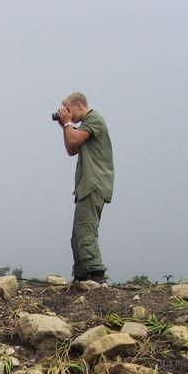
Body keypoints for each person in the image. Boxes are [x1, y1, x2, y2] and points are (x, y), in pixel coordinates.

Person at [56, 91, 114, 285]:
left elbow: (74, 140)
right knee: (78, 232)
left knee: (86, 229)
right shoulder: (83, 126)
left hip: (94, 183)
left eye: (69, 110)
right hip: (86, 185)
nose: (68, 114)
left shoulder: (94, 120)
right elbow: (71, 150)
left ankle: (95, 273)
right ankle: (82, 274)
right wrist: (64, 127)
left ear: (80, 105)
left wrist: (67, 124)